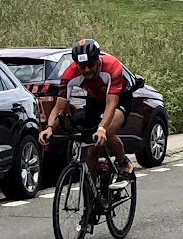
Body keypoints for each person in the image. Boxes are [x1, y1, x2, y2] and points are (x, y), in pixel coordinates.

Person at [40, 38, 135, 178]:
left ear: (97, 60)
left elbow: (111, 104)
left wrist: (101, 128)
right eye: (81, 66)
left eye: (90, 64)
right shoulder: (69, 75)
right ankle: (92, 191)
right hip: (95, 100)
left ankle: (123, 163)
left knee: (107, 132)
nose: (86, 69)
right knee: (91, 150)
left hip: (119, 98)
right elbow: (59, 107)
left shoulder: (112, 66)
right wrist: (49, 127)